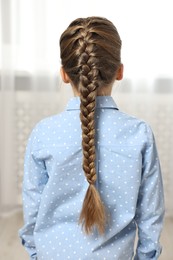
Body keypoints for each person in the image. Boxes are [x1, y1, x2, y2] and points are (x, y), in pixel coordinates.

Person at [18, 16, 165, 260]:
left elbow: (33, 209)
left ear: (64, 74)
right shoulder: (139, 133)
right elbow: (150, 212)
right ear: (119, 71)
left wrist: (36, 254)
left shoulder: (43, 132)